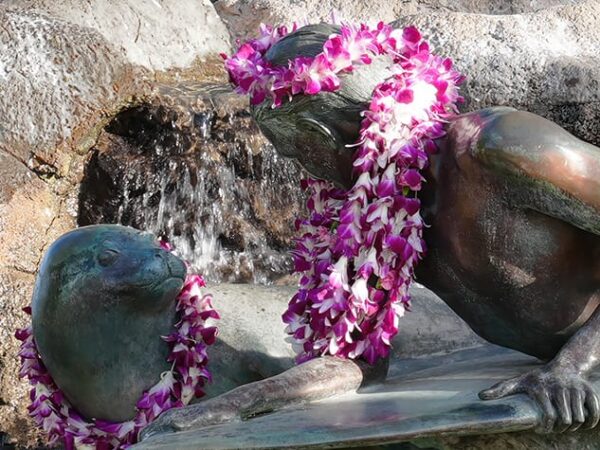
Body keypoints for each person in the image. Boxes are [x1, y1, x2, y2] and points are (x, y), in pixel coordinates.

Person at [142, 23, 600, 438]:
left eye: (293, 149)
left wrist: (572, 365)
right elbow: (359, 363)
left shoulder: (496, 148)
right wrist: (239, 404)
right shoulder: (374, 221)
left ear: (329, 133)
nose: (296, 165)